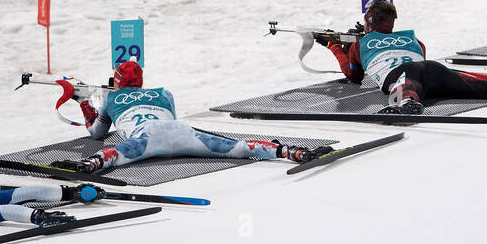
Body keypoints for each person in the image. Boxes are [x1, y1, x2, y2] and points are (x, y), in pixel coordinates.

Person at [318, 0, 487, 115]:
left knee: (404, 88)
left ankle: (408, 105)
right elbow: (417, 57)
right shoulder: (415, 39)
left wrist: (335, 48)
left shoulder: (361, 43)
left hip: (408, 77)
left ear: (368, 21)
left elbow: (352, 75)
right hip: (432, 69)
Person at [55, 60, 324, 172]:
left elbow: (97, 133)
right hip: (180, 132)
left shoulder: (112, 97)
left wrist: (84, 103)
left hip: (146, 140)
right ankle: (291, 152)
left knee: (112, 154)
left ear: (116, 80)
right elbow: (167, 117)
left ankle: (89, 165)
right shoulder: (164, 92)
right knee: (238, 148)